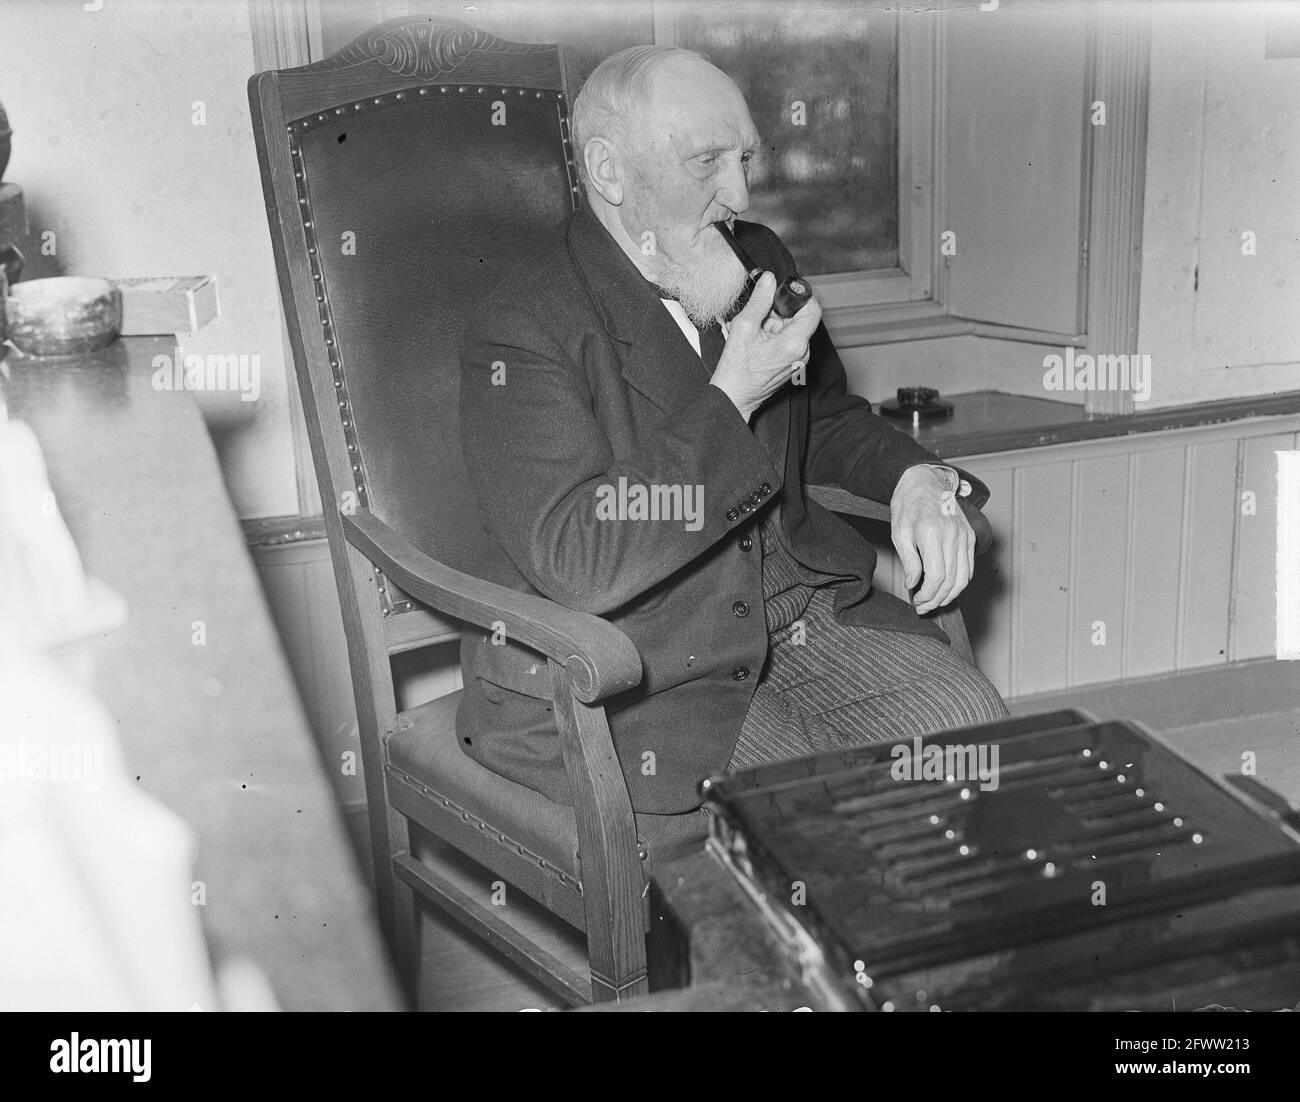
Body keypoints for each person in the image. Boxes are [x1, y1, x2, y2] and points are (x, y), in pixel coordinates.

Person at [457, 45, 1008, 839]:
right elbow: (576, 556)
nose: (740, 193)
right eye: (707, 161)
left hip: (804, 613)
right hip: (647, 669)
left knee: (970, 739)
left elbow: (825, 423)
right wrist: (732, 396)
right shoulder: (523, 329)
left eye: (745, 156)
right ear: (610, 174)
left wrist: (916, 480)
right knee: (814, 823)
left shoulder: (756, 261)